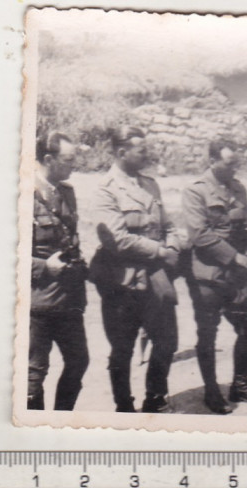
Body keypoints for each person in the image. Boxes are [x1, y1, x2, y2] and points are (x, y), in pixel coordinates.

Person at [90, 126, 181, 413]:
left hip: (155, 277)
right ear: (121, 152)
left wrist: (175, 245)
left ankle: (154, 397)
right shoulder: (106, 189)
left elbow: (168, 224)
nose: (147, 154)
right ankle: (124, 406)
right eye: (141, 150)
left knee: (167, 341)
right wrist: (160, 251)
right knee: (122, 348)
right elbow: (117, 240)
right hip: (122, 280)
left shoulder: (150, 184)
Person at [182, 140, 247, 414]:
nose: (235, 167)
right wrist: (235, 257)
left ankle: (240, 385)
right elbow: (200, 234)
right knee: (208, 335)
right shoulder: (195, 191)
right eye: (229, 162)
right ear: (212, 161)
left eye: (236, 162)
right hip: (208, 276)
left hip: (237, 276)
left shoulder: (238, 188)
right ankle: (211, 391)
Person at [28, 131, 89, 410]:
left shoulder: (66, 192)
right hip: (37, 303)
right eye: (68, 160)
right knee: (33, 376)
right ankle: (33, 432)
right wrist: (43, 266)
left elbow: (68, 236)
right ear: (49, 159)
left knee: (79, 361)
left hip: (68, 299)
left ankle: (60, 420)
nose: (73, 166)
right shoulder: (20, 195)